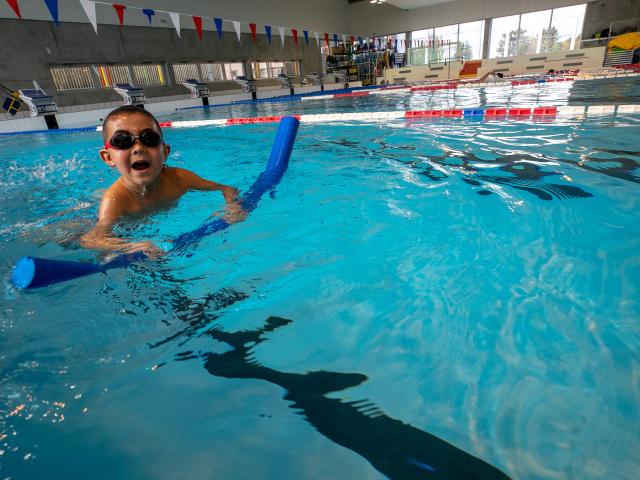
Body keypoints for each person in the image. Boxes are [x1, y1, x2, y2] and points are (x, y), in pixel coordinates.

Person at [81, 105, 246, 255]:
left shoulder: (179, 179)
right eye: (122, 141)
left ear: (165, 152)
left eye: (149, 139)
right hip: (118, 224)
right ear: (108, 157)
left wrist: (233, 206)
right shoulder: (116, 199)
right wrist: (132, 246)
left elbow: (226, 188)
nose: (138, 148)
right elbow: (92, 239)